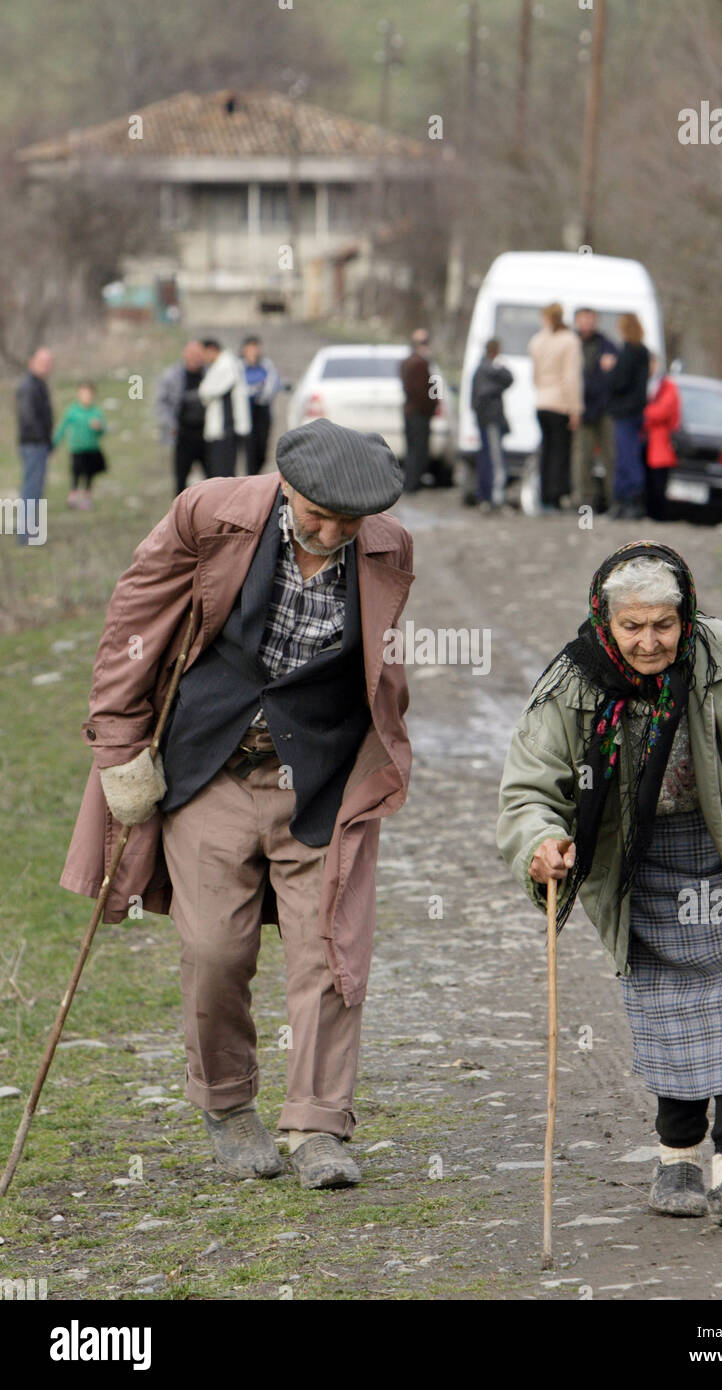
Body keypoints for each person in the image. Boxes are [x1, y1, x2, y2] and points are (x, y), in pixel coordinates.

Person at [60, 418, 414, 1190]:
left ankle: (318, 1126)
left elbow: (380, 663)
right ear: (286, 486)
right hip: (211, 763)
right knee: (216, 949)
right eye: (316, 514)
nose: (330, 532)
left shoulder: (387, 548)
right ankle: (226, 1103)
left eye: (346, 522)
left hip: (320, 778)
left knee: (330, 954)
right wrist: (120, 749)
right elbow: (134, 621)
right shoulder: (210, 516)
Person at [497, 541, 722, 1227]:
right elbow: (532, 786)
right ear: (605, 621)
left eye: (664, 625)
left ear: (686, 617)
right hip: (640, 859)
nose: (650, 641)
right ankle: (677, 1154)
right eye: (633, 626)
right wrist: (540, 843)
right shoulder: (574, 682)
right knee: (668, 1004)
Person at [528, 303, 582, 512]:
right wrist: (574, 408)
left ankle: (544, 495)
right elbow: (571, 377)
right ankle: (556, 495)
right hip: (560, 402)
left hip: (542, 401)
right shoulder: (569, 341)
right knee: (560, 453)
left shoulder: (537, 340)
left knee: (547, 450)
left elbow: (534, 375)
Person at [602, 313, 651, 520]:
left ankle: (627, 500)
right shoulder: (643, 352)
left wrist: (609, 369)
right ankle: (628, 500)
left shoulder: (628, 352)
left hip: (625, 412)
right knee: (629, 456)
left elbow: (618, 382)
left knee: (625, 458)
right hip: (636, 411)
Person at [572, 308, 616, 512]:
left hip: (604, 407)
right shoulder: (572, 343)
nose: (587, 324)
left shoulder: (606, 345)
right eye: (583, 320)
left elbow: (614, 374)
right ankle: (584, 500)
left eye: (591, 320)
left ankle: (612, 499)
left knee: (610, 454)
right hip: (581, 406)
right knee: (582, 456)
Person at [156, 341, 207, 495]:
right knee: (180, 480)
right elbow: (161, 403)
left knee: (214, 478)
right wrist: (169, 424)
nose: (195, 359)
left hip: (206, 435)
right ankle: (179, 515)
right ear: (184, 355)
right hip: (183, 435)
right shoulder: (172, 375)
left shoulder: (210, 373)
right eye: (192, 355)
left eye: (198, 355)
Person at [15, 346, 53, 546]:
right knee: (31, 488)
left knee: (36, 489)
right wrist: (42, 440)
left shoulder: (39, 384)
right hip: (33, 445)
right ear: (32, 363)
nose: (46, 366)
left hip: (39, 444)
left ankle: (30, 531)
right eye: (42, 362)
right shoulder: (28, 386)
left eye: (49, 363)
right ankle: (26, 535)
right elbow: (29, 418)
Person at [198, 338, 251, 478]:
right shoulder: (221, 365)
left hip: (226, 430)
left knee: (223, 475)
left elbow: (206, 391)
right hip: (222, 431)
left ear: (211, 350)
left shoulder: (225, 365)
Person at [471, 338, 513, 510]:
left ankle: (485, 496)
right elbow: (509, 379)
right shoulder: (489, 370)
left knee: (486, 456)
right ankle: (494, 497)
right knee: (494, 459)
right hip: (491, 420)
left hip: (485, 420)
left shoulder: (480, 370)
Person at [53, 380, 108, 511]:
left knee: (89, 474)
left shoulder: (96, 412)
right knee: (76, 472)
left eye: (89, 394)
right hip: (77, 448)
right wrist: (54, 443)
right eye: (83, 393)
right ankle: (73, 496)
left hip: (92, 448)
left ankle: (86, 498)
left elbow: (103, 431)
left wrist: (98, 428)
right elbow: (62, 428)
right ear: (79, 394)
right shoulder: (72, 411)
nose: (86, 396)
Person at [399, 329, 438, 493]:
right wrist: (431, 406)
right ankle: (412, 483)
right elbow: (426, 390)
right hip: (418, 413)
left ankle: (411, 482)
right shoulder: (420, 363)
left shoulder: (408, 362)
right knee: (417, 449)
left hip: (412, 411)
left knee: (413, 449)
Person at [642, 358, 680, 522]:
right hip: (644, 442)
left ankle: (658, 516)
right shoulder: (643, 384)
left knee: (658, 484)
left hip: (660, 443)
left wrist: (643, 413)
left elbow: (663, 411)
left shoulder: (667, 386)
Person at [239, 336, 281, 476]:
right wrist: (253, 391)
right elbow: (240, 389)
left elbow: (271, 386)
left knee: (262, 451)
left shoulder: (266, 365)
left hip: (262, 411)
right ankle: (250, 477)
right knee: (249, 450)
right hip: (245, 412)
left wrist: (257, 393)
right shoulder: (238, 367)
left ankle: (255, 473)